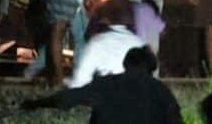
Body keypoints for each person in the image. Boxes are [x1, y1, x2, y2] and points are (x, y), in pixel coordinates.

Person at [22, 47, 182, 124]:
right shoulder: (162, 92)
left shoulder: (109, 84)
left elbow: (67, 98)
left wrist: (35, 104)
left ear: (126, 63)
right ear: (151, 68)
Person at [67, 2, 145, 88]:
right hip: (135, 96)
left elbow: (80, 82)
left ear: (105, 20)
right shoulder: (139, 43)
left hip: (107, 96)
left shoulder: (98, 43)